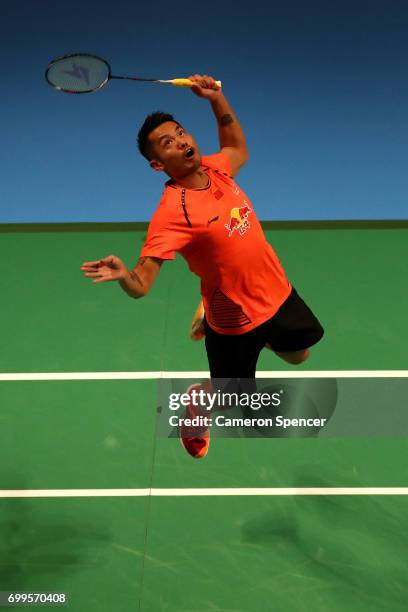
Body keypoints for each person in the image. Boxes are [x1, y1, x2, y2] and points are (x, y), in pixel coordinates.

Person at [81, 74, 324, 459]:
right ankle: (198, 402)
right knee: (230, 399)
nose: (181, 142)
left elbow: (237, 148)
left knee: (300, 355)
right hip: (235, 316)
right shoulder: (171, 215)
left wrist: (216, 99)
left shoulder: (214, 169)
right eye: (168, 144)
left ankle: (206, 311)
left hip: (275, 291)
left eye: (181, 133)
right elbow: (142, 283)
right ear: (158, 165)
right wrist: (124, 274)